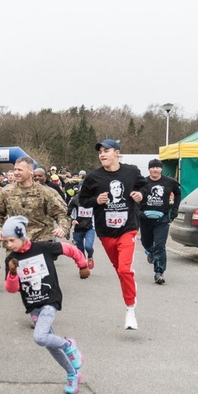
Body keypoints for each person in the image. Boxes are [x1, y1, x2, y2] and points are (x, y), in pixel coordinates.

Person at [2, 216, 90, 394]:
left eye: (12, 240)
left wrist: (82, 264)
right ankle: (72, 374)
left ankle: (68, 344)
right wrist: (12, 272)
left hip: (50, 300)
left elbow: (68, 248)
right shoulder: (11, 260)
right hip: (33, 305)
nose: (8, 245)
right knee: (50, 345)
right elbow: (12, 289)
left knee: (40, 337)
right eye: (5, 241)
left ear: (22, 236)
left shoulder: (42, 248)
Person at [78, 139, 149, 330]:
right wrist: (96, 200)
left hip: (128, 228)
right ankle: (130, 297)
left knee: (125, 270)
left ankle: (131, 309)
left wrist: (140, 195)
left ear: (117, 152)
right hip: (106, 232)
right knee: (120, 270)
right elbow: (82, 200)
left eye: (106, 150)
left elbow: (145, 187)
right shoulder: (93, 177)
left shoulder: (131, 171)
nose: (102, 154)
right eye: (100, 151)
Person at [0, 157, 70, 242]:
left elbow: (61, 213)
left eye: (20, 170)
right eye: (15, 169)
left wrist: (62, 228)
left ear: (31, 171)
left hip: (41, 241)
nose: (16, 173)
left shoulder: (43, 192)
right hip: (17, 242)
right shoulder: (7, 191)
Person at [140, 159, 181, 285]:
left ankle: (159, 272)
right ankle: (150, 252)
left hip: (162, 219)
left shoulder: (169, 182)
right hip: (145, 219)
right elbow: (135, 197)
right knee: (145, 242)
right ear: (149, 169)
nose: (155, 170)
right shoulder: (143, 182)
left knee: (160, 246)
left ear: (161, 169)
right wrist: (138, 212)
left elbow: (178, 194)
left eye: (158, 167)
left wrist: (174, 210)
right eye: (152, 167)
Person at [67, 193, 96, 269]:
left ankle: (90, 256)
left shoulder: (94, 199)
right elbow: (67, 213)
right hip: (77, 228)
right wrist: (72, 220)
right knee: (80, 250)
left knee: (88, 246)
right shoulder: (74, 199)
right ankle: (84, 265)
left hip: (90, 227)